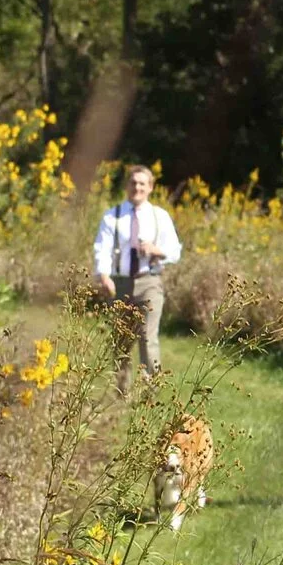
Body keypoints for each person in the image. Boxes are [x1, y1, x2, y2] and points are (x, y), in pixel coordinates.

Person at [93, 164, 182, 395]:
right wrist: (103, 276)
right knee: (121, 339)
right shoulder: (112, 216)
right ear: (126, 186)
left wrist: (156, 250)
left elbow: (174, 251)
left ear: (150, 187)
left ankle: (151, 394)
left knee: (147, 337)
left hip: (149, 281)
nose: (137, 187)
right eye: (133, 183)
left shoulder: (159, 217)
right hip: (119, 282)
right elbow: (101, 248)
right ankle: (120, 393)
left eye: (142, 183)